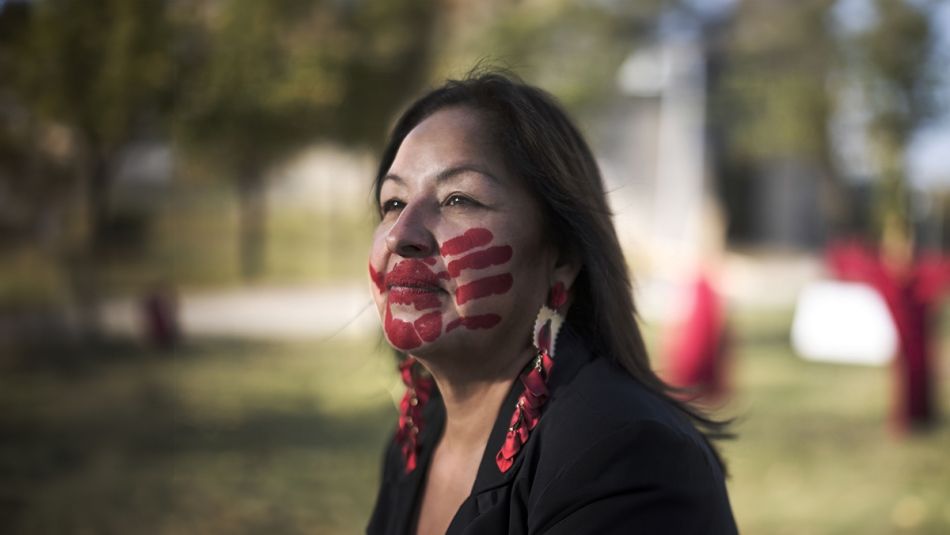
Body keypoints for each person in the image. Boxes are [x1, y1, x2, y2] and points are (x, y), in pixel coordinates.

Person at [366, 70, 737, 535]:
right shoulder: (417, 437)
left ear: (561, 256)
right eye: (394, 202)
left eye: (458, 198)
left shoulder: (622, 453)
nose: (402, 235)